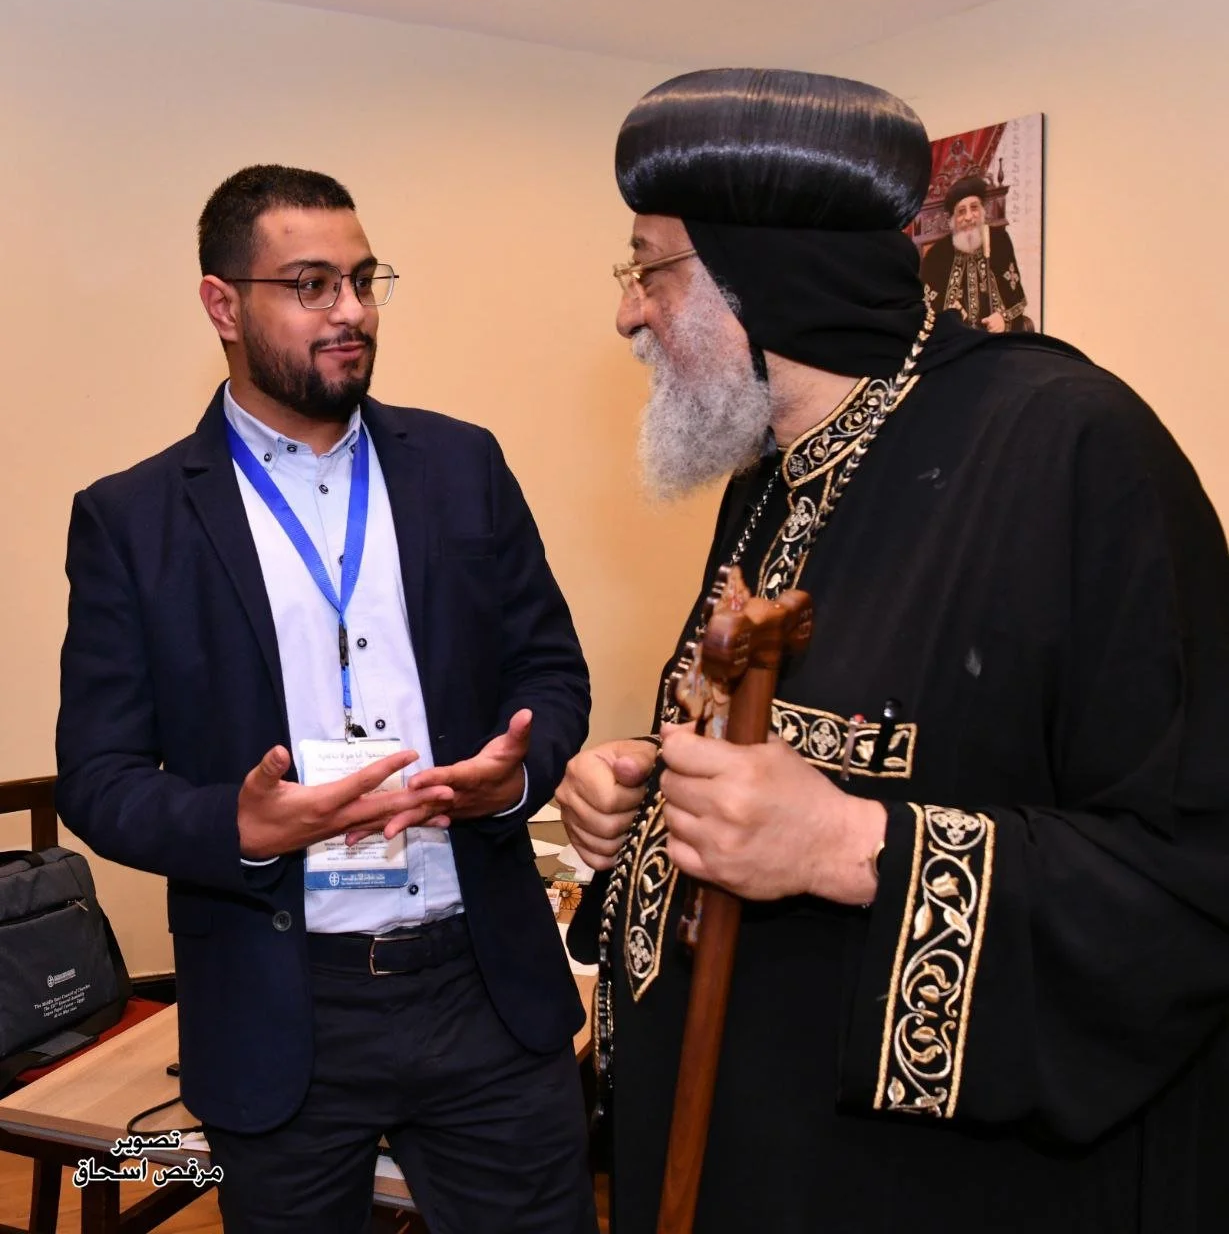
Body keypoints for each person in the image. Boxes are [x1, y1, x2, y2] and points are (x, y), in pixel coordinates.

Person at [557, 69, 1229, 1233]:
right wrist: (646, 783)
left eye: (648, 269)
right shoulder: (772, 473)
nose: (627, 314)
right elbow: (804, 733)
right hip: (733, 1157)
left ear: (758, 269)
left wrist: (848, 844)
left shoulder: (1071, 449)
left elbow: (1184, 873)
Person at [56, 165, 597, 1234]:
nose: (351, 310)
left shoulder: (461, 464)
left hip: (481, 985)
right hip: (278, 1001)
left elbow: (551, 671)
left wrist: (510, 781)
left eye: (363, 279)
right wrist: (239, 826)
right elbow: (98, 778)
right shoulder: (132, 519)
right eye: (310, 284)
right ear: (222, 304)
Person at [919, 174, 1031, 332]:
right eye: (961, 211)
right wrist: (951, 318)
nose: (969, 217)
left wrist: (1004, 319)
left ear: (982, 210)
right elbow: (928, 312)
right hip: (958, 342)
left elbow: (1015, 299)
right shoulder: (936, 255)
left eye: (974, 208)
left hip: (997, 340)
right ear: (952, 219)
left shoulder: (1000, 241)